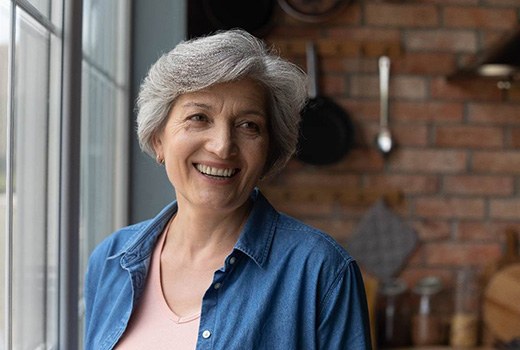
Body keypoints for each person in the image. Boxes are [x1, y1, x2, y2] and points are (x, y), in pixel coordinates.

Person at [84, 29, 371, 350]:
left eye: (248, 125)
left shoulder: (321, 271)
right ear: (158, 138)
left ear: (268, 152)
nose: (222, 147)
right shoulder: (111, 260)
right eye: (199, 117)